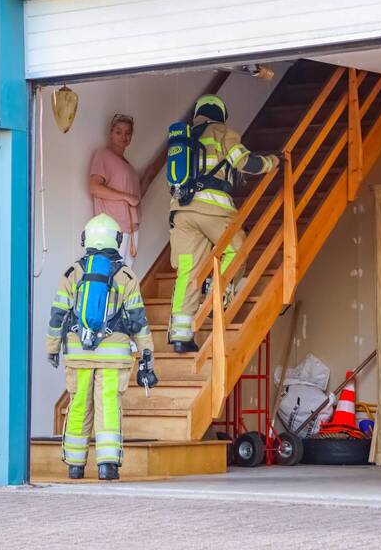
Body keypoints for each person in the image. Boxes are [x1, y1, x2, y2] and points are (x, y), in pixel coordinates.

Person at [44, 213, 158, 481]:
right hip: (114, 357)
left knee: (78, 404)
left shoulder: (72, 274)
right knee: (108, 405)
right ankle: (107, 465)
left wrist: (52, 347)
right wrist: (147, 353)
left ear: (86, 239)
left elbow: (58, 315)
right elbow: (139, 319)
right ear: (116, 240)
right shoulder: (126, 276)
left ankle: (74, 465)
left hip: (78, 355)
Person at [168, 94, 278, 352]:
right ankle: (219, 295)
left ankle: (181, 335)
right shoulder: (222, 132)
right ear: (221, 114)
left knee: (187, 271)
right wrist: (273, 162)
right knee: (237, 250)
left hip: (181, 212)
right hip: (214, 208)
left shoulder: (184, 138)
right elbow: (245, 163)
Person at [88, 113, 158, 266]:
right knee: (111, 274)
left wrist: (148, 176)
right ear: (111, 133)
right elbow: (94, 187)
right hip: (112, 226)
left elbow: (136, 197)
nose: (123, 136)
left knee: (125, 276)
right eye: (118, 132)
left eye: (128, 133)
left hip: (131, 227)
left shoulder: (128, 166)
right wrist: (126, 197)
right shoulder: (103, 155)